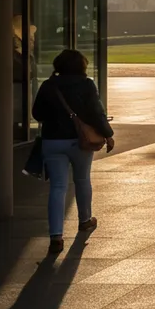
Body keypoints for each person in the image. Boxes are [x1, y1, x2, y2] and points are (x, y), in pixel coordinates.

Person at [32, 49, 114, 255]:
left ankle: (56, 236)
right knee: (82, 179)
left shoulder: (49, 85)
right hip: (81, 141)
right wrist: (108, 133)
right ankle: (85, 219)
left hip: (53, 141)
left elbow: (37, 113)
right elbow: (96, 112)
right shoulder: (86, 85)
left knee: (57, 187)